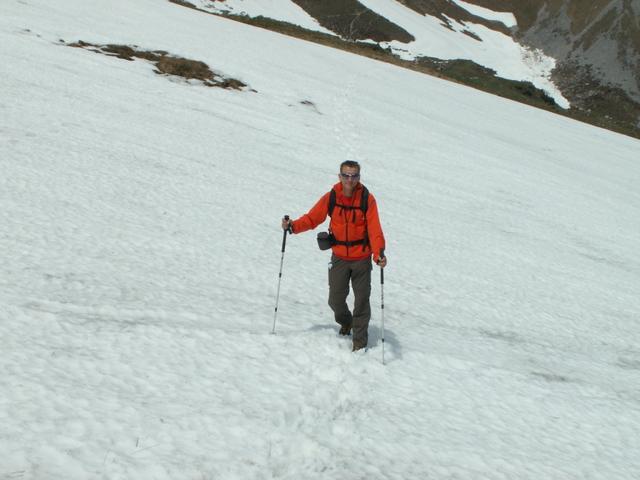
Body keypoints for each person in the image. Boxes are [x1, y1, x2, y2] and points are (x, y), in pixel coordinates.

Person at [281, 160, 387, 351]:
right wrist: (293, 226)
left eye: (354, 175)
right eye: (346, 175)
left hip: (362, 258)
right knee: (335, 300)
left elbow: (375, 230)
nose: (350, 179)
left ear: (359, 178)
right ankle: (347, 322)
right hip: (339, 257)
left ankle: (359, 344)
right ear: (340, 176)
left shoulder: (367, 199)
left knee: (362, 301)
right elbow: (314, 217)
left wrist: (378, 253)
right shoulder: (332, 197)